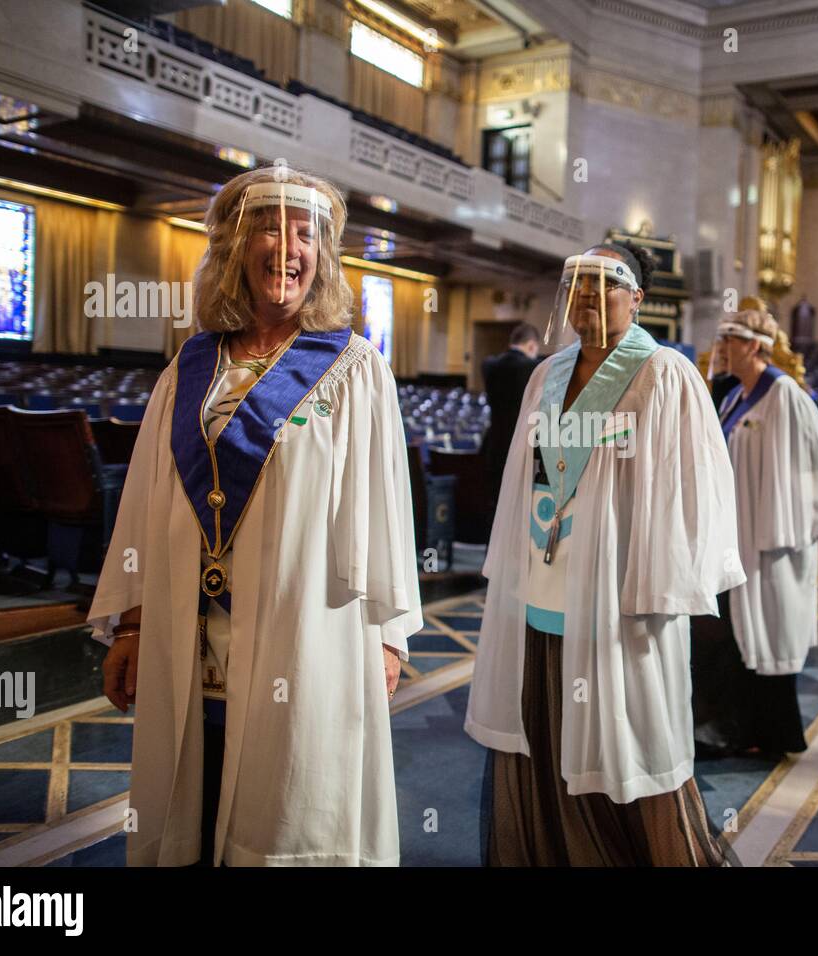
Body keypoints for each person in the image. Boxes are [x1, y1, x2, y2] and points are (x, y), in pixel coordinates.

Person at [89, 165, 423, 866]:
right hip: (189, 638)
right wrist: (133, 620)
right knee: (194, 793)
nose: (286, 248)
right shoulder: (189, 367)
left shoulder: (355, 370)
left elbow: (386, 509)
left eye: (305, 234)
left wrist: (388, 636)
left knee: (283, 802)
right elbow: (148, 504)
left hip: (306, 640)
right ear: (234, 250)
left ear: (324, 257)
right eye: (266, 229)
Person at [465, 238, 745, 866]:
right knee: (549, 729)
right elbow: (522, 475)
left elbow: (694, 486)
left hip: (621, 594)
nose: (586, 297)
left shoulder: (664, 373)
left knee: (627, 741)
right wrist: (508, 564)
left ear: (637, 299)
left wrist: (665, 584)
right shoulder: (547, 373)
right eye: (576, 284)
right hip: (547, 577)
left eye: (604, 283)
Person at [691, 309, 818, 759]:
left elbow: (814, 465)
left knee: (764, 632)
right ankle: (725, 725)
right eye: (721, 337)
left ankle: (763, 731)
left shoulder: (784, 396)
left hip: (771, 540)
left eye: (732, 339)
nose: (722, 347)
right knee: (723, 633)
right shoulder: (731, 398)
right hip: (730, 539)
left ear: (755, 346)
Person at [482, 322, 541, 511]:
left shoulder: (489, 365)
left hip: (493, 443)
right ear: (532, 346)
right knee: (516, 507)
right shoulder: (533, 367)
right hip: (520, 444)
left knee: (494, 503)